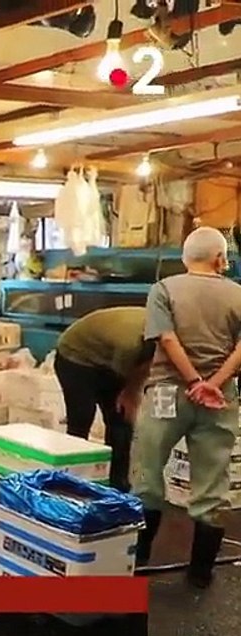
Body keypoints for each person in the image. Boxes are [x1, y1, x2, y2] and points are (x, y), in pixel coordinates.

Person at [131, 227, 241, 589]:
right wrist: (213, 382)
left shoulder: (164, 289)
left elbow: (165, 337)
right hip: (219, 398)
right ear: (221, 260)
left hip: (167, 393)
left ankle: (139, 558)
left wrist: (192, 381)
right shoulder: (238, 293)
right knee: (211, 485)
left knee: (149, 474)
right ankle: (200, 573)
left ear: (185, 258)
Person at [53, 307, 155, 493]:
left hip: (107, 356)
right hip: (75, 356)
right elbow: (127, 379)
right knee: (82, 417)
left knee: (120, 420)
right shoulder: (130, 344)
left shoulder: (164, 334)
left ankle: (118, 483)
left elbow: (144, 367)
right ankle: (72, 481)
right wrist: (131, 396)